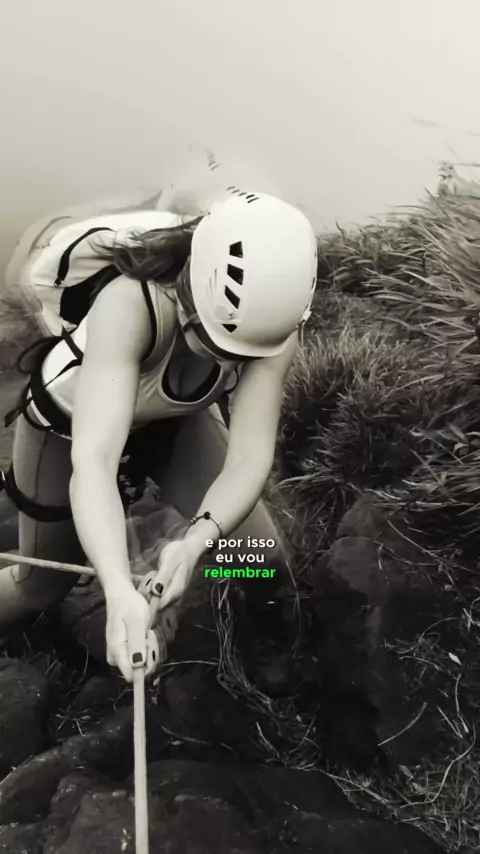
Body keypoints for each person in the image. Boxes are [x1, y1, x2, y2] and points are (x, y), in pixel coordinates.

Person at [0, 151, 318, 684]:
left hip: (173, 423)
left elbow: (249, 458)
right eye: (215, 344)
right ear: (190, 293)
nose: (229, 364)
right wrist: (117, 586)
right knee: (40, 587)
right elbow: (95, 462)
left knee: (258, 554)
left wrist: (194, 544)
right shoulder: (130, 305)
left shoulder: (272, 328)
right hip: (66, 428)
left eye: (241, 356)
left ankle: (267, 634)